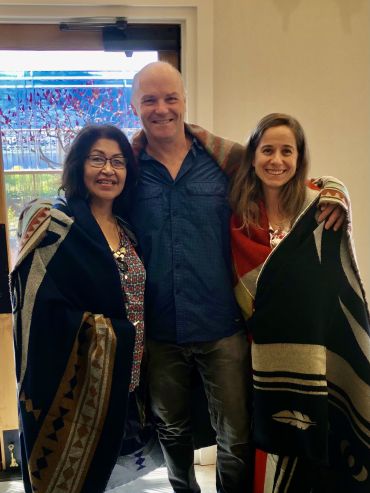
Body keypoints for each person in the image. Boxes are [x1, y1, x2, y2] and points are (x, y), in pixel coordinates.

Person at [129, 61, 347, 493]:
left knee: (236, 436)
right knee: (171, 431)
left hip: (222, 327)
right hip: (160, 328)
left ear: (185, 101)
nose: (161, 108)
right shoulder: (128, 170)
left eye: (170, 97)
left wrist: (337, 192)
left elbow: (287, 173)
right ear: (134, 105)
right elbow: (86, 191)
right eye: (150, 99)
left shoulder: (225, 162)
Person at [229, 113, 370, 492]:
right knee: (266, 437)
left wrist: (338, 190)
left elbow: (335, 276)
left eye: (286, 151)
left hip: (313, 345)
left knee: (314, 436)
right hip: (258, 347)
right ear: (253, 156)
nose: (276, 160)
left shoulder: (319, 208)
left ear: (300, 156)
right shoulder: (239, 214)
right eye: (267, 150)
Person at [10, 124, 146, 493]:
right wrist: (112, 333)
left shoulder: (128, 228)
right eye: (97, 159)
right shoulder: (55, 226)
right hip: (72, 384)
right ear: (78, 165)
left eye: (118, 162)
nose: (108, 170)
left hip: (125, 378)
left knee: (109, 476)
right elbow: (35, 312)